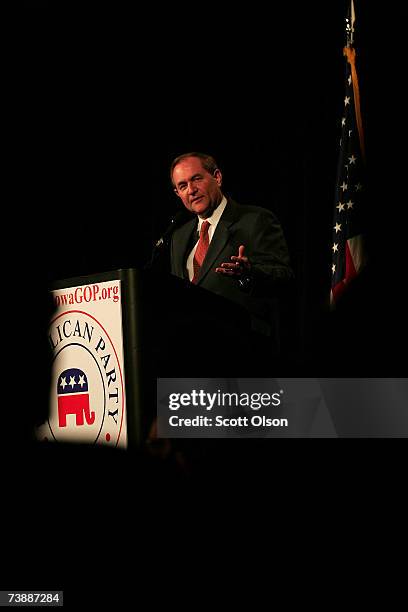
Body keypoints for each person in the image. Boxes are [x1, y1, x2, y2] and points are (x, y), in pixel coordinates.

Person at [169, 152, 293, 340]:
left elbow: (284, 278)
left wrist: (249, 274)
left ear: (217, 177)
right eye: (183, 185)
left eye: (196, 179)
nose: (191, 189)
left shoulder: (255, 220)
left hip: (242, 344)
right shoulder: (179, 237)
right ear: (178, 194)